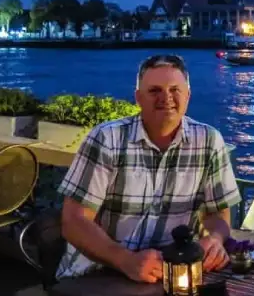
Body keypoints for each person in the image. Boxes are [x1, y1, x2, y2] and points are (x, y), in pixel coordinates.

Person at [56, 54, 241, 282]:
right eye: (155, 91)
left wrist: (214, 239)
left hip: (173, 269)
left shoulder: (210, 141)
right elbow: (74, 221)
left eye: (175, 89)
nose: (167, 97)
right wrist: (126, 260)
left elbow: (217, 211)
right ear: (138, 98)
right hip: (98, 269)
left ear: (188, 96)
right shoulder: (107, 139)